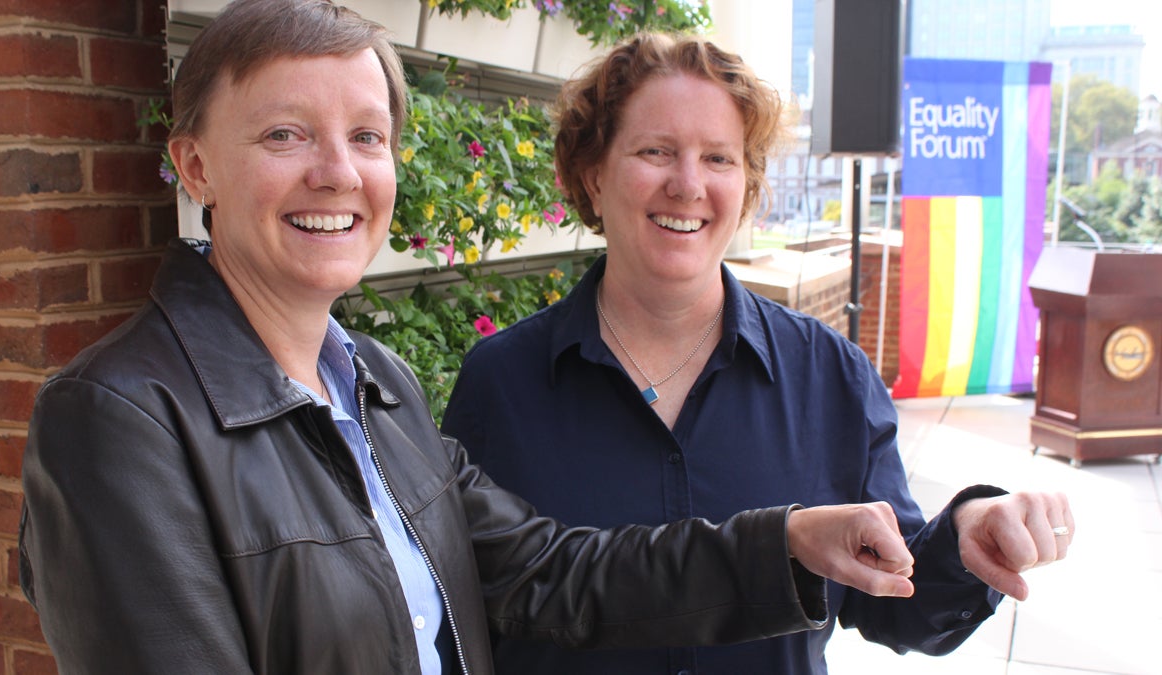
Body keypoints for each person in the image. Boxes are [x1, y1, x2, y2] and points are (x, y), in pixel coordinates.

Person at [17, 2, 930, 674]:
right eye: (286, 134)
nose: (337, 173)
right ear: (196, 163)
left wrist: (787, 548)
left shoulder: (374, 384)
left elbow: (550, 574)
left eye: (366, 136)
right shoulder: (118, 422)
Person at [441, 32, 1075, 675]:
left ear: (747, 186)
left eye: (719, 158)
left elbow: (896, 603)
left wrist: (969, 536)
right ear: (592, 176)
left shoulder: (829, 377)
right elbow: (466, 613)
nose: (688, 185)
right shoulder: (501, 386)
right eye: (656, 150)